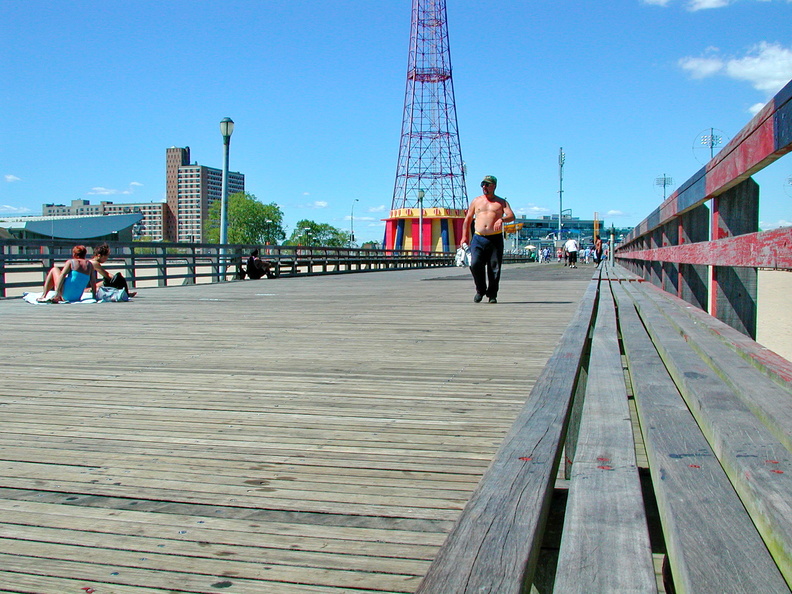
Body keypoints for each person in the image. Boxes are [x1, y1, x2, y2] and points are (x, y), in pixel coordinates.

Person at [460, 175, 515, 304]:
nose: (484, 187)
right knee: (475, 264)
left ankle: (492, 294)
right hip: (478, 238)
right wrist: (464, 237)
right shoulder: (476, 201)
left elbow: (511, 216)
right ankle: (480, 290)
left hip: (494, 239)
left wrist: (502, 219)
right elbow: (467, 219)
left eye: (487, 184)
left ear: (494, 186)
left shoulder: (501, 202)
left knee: (494, 268)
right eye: (482, 184)